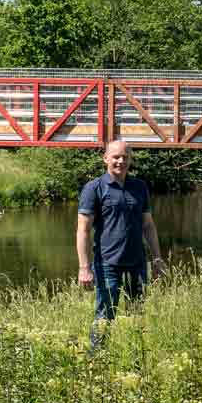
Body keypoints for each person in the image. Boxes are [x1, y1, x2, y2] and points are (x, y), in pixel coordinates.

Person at [76, 140, 165, 351]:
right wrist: (84, 268)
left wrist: (157, 259)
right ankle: (97, 359)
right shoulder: (94, 188)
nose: (121, 161)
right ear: (105, 158)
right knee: (104, 316)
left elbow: (148, 226)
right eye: (116, 156)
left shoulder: (139, 187)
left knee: (137, 316)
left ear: (130, 160)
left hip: (137, 263)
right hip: (107, 264)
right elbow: (83, 230)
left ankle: (136, 358)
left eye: (125, 157)